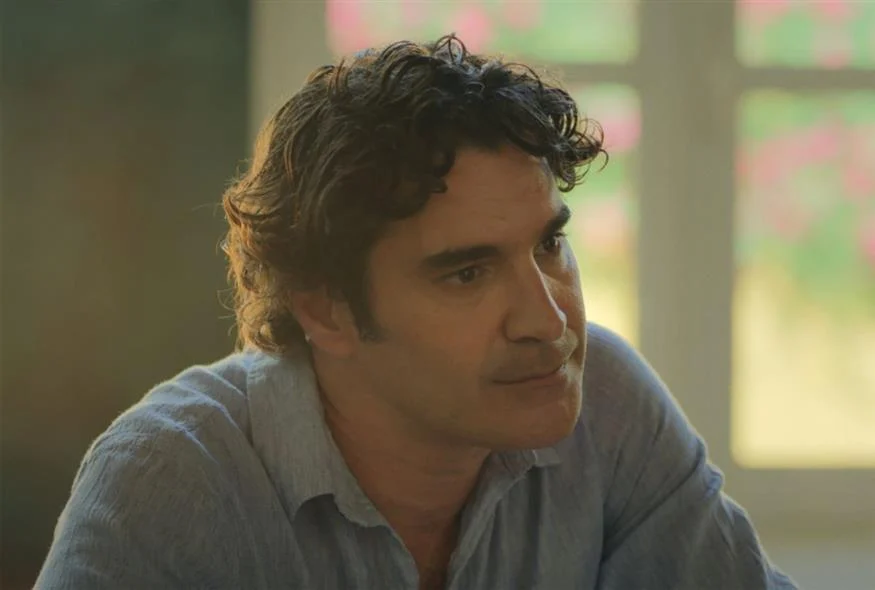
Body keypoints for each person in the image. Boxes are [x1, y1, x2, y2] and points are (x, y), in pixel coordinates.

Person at [36, 35, 797, 590]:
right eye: (466, 273)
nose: (548, 323)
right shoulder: (170, 480)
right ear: (324, 310)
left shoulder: (608, 403)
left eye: (548, 246)